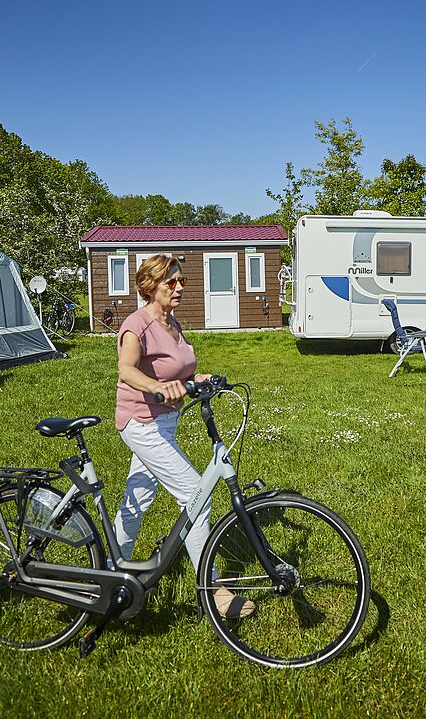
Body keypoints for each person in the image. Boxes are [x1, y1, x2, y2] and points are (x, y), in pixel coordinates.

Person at [113, 255, 254, 619]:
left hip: (163, 422)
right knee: (196, 494)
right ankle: (214, 591)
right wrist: (158, 388)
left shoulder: (171, 323)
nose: (179, 288)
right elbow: (127, 370)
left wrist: (200, 380)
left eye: (182, 281)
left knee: (137, 499)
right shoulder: (137, 325)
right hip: (141, 422)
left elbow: (178, 368)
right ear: (150, 287)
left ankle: (114, 570)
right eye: (170, 283)